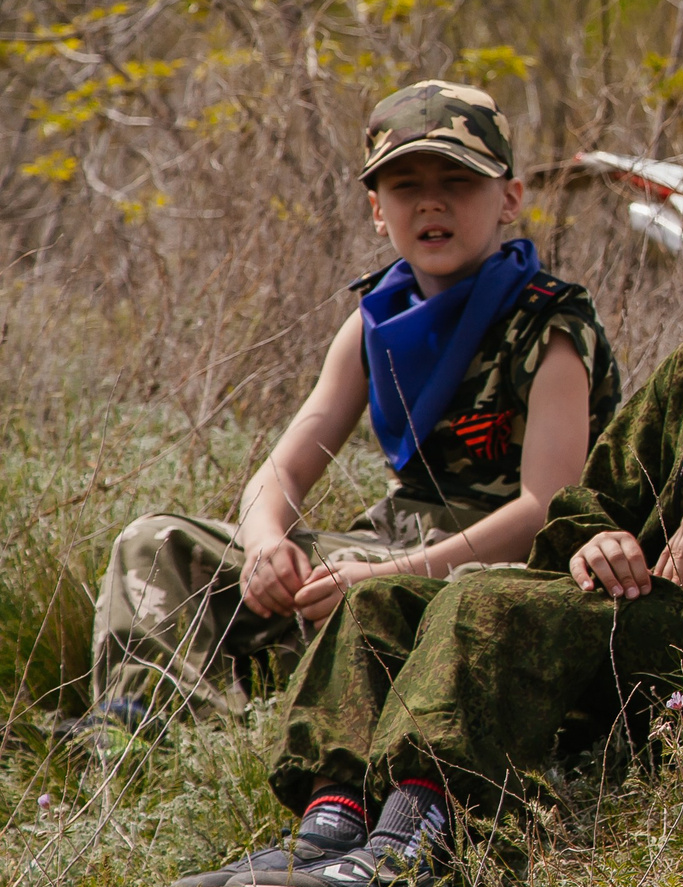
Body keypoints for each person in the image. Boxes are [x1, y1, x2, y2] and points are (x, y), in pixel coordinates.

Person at [169, 155, 683, 887]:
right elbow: (587, 500)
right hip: (631, 604)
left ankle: (424, 845)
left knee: (487, 606)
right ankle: (328, 829)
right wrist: (595, 539)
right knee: (378, 604)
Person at [69, 81, 619, 745]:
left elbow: (544, 511)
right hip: (388, 549)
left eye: (458, 179)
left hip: (494, 575)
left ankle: (298, 713)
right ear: (377, 210)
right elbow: (282, 470)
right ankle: (164, 733)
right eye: (405, 183)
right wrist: (267, 544)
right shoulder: (374, 324)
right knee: (154, 541)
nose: (431, 201)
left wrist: (382, 578)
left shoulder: (550, 325)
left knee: (391, 601)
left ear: (509, 198)